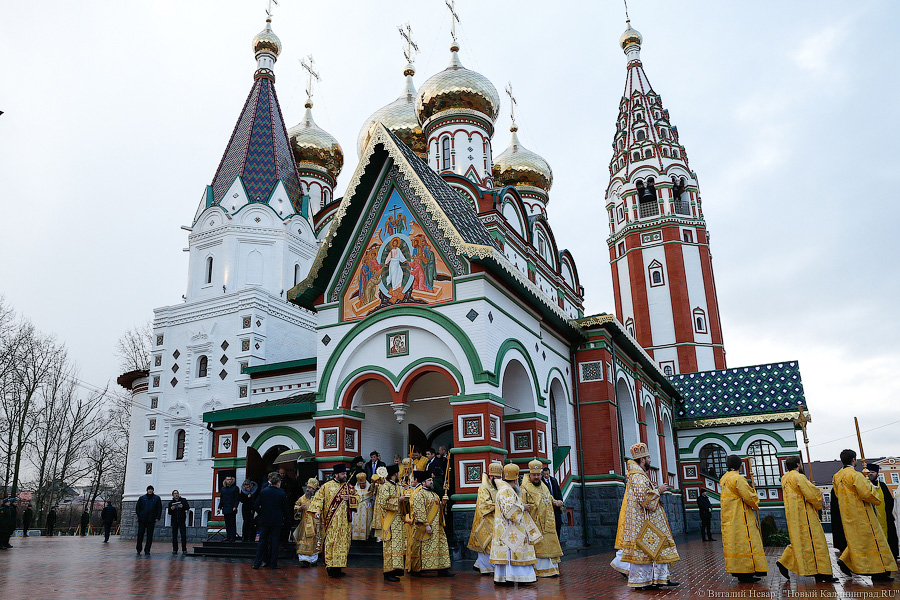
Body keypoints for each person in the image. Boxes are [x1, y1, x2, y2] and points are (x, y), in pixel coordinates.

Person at [619, 443, 680, 590]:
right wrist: (659, 490)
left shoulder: (639, 475)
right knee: (649, 550)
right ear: (642, 460)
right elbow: (644, 499)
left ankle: (658, 579)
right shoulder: (638, 476)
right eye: (648, 458)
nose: (650, 461)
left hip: (648, 522)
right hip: (645, 523)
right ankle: (647, 581)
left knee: (655, 550)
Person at [832, 449, 897, 582]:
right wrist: (874, 492)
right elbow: (867, 494)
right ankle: (879, 573)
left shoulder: (836, 476)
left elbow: (837, 494)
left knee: (858, 542)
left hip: (847, 514)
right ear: (854, 460)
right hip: (863, 514)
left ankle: (846, 561)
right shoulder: (856, 475)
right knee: (876, 542)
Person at [775, 456, 837, 582]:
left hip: (793, 516)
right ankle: (823, 573)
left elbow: (801, 490)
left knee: (800, 542)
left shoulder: (785, 478)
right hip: (805, 515)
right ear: (798, 464)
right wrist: (817, 499)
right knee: (817, 542)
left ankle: (785, 562)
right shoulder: (799, 477)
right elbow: (812, 495)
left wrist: (809, 485)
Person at [491, 463, 541, 585]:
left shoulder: (506, 490)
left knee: (512, 553)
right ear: (516, 479)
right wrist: (522, 507)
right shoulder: (506, 491)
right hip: (509, 530)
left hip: (507, 529)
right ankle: (517, 577)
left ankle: (508, 577)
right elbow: (509, 512)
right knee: (514, 552)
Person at [720, 454, 766, 583]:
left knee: (736, 544)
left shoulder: (724, 478)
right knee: (746, 543)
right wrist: (755, 498)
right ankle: (747, 572)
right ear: (740, 465)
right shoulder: (738, 478)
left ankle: (739, 572)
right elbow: (748, 497)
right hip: (741, 516)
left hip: (729, 516)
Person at [309, 463, 359, 578]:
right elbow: (318, 499)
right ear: (336, 474)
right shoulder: (326, 486)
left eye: (345, 473)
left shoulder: (348, 487)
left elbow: (357, 498)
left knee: (343, 545)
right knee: (331, 543)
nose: (345, 475)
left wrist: (350, 499)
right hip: (331, 522)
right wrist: (317, 511)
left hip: (344, 523)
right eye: (342, 473)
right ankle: (330, 567)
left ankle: (339, 568)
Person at [520, 459, 564, 577]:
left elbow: (549, 498)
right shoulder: (524, 488)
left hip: (549, 523)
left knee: (550, 545)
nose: (536, 477)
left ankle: (552, 569)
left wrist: (556, 502)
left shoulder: (543, 486)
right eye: (534, 475)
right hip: (535, 523)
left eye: (538, 475)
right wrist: (523, 507)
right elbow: (521, 504)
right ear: (530, 475)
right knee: (540, 546)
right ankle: (540, 570)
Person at [407, 470, 453, 577]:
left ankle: (442, 569)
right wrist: (426, 525)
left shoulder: (434, 494)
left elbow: (439, 510)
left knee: (441, 547)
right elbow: (419, 511)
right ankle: (419, 569)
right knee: (423, 548)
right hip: (425, 527)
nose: (431, 482)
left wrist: (444, 504)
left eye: (432, 480)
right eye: (429, 480)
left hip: (437, 527)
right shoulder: (420, 495)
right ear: (423, 482)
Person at [469, 462, 503, 574]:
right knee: (487, 543)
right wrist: (500, 505)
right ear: (491, 476)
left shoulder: (499, 486)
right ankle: (485, 567)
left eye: (499, 477)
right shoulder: (484, 487)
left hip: (497, 519)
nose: (498, 479)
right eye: (496, 477)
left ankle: (483, 565)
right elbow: (484, 505)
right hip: (486, 520)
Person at [375, 465, 406, 582]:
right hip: (389, 521)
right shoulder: (385, 486)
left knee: (397, 547)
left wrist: (405, 501)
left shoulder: (397, 487)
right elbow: (383, 503)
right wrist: (399, 500)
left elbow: (402, 501)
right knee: (389, 547)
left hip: (398, 521)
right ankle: (388, 573)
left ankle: (396, 570)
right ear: (395, 474)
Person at [253, 473, 288, 570]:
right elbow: (285, 508)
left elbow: (256, 505)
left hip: (264, 520)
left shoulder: (263, 492)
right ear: (278, 483)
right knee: (275, 541)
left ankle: (257, 563)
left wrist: (261, 513)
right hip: (277, 520)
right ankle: (273, 564)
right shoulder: (281, 493)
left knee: (262, 541)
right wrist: (285, 518)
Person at [866, 463, 899, 559]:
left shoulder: (883, 485)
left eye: (873, 472)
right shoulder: (865, 485)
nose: (870, 474)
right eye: (869, 472)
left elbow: (890, 502)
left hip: (885, 518)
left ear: (877, 474)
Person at [293, 478, 321, 567]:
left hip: (316, 524)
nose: (307, 489)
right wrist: (300, 509)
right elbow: (295, 508)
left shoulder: (319, 499)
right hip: (304, 525)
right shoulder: (302, 498)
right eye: (307, 487)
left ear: (314, 489)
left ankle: (314, 560)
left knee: (315, 543)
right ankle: (304, 561)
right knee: (303, 542)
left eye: (309, 488)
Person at [135, 485, 162, 555]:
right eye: (149, 489)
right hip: (142, 520)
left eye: (151, 489)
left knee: (149, 536)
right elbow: (138, 508)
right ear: (147, 490)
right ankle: (138, 548)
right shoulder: (142, 498)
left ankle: (147, 549)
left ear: (153, 490)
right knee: (140, 535)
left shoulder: (156, 498)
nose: (150, 491)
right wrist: (140, 516)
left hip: (151, 520)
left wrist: (157, 517)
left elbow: (159, 508)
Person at [541, 466, 564, 538]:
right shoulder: (541, 482)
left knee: (558, 524)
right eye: (544, 474)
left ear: (549, 473)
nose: (546, 476)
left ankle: (558, 540)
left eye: (547, 474)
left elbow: (558, 491)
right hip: (548, 507)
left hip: (556, 506)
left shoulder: (554, 480)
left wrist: (560, 502)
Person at [351, 472, 375, 541]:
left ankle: (367, 536)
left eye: (363, 483)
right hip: (358, 509)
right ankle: (357, 537)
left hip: (367, 508)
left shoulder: (370, 488)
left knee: (367, 522)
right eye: (361, 483)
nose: (362, 485)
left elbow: (373, 495)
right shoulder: (355, 489)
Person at [218, 476, 240, 542]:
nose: (229, 481)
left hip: (232, 508)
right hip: (225, 507)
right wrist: (219, 507)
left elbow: (237, 498)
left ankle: (233, 537)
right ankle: (228, 536)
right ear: (225, 480)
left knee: (232, 523)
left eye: (230, 479)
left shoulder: (235, 488)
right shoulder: (223, 489)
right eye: (227, 479)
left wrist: (235, 506)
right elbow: (222, 499)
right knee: (227, 523)